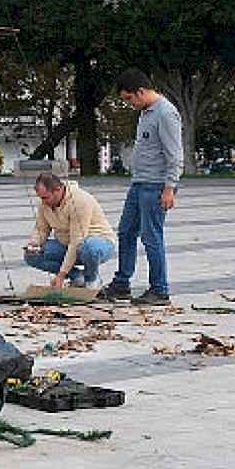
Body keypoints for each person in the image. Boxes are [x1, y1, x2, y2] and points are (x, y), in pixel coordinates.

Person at [99, 69, 184, 305]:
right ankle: (122, 283)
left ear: (141, 91)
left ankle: (159, 289)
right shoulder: (146, 112)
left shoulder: (166, 113)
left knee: (151, 237)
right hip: (139, 183)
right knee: (126, 231)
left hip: (156, 186)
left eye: (129, 98)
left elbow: (175, 155)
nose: (129, 104)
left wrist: (169, 188)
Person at [22, 173, 117, 291]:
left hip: (98, 242)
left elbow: (77, 242)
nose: (43, 202)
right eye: (41, 198)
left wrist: (61, 275)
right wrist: (34, 244)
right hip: (67, 245)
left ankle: (92, 280)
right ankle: (77, 277)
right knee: (32, 256)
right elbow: (41, 229)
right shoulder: (44, 203)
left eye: (45, 197)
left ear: (58, 190)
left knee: (88, 248)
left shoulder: (79, 201)